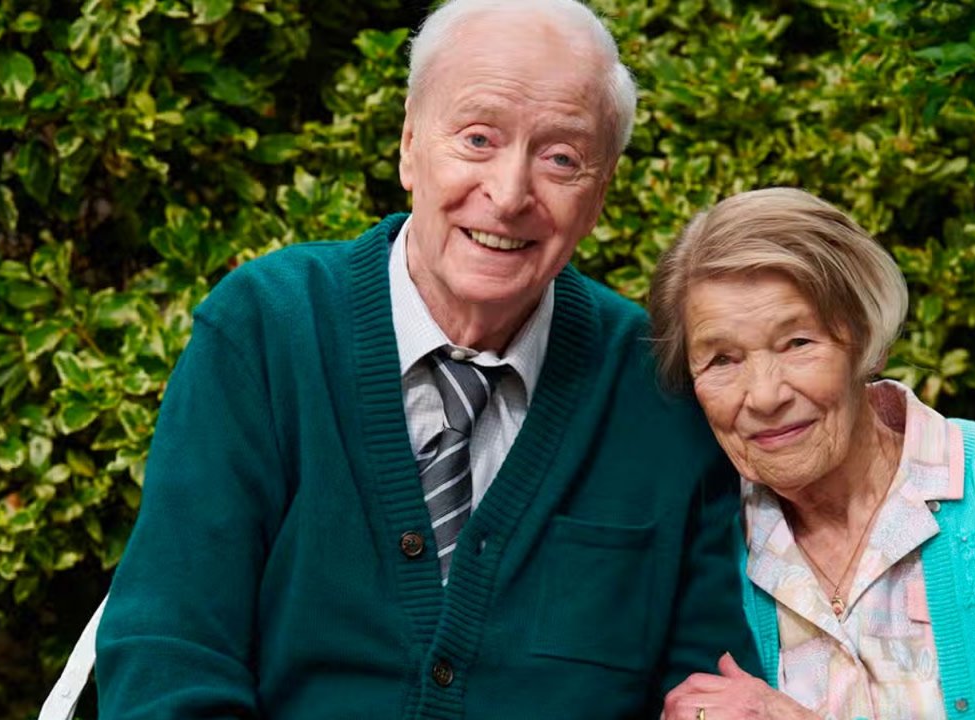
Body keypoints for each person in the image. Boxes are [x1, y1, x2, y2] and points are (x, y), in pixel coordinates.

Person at [94, 1, 760, 716]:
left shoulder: (655, 381)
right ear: (409, 144)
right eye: (477, 139)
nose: (508, 196)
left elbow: (705, 688)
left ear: (600, 192)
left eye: (561, 157)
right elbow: (172, 649)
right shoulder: (266, 329)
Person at [648, 188, 975, 719]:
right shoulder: (698, 534)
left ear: (866, 339)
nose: (766, 395)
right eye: (723, 359)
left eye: (798, 343)